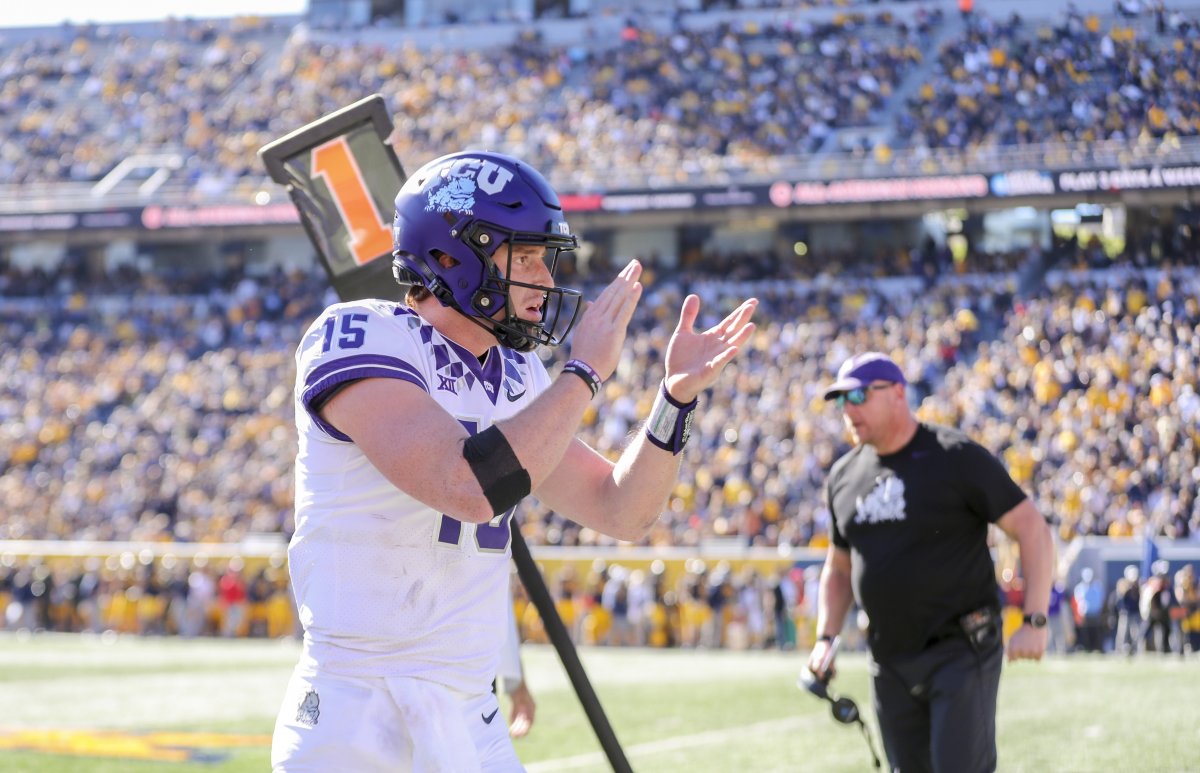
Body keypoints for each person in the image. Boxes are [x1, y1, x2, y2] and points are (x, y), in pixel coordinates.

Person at [270, 150, 758, 772]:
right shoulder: (360, 333)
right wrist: (582, 373)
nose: (546, 281)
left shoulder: (517, 373)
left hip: (470, 711)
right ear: (453, 256)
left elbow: (622, 509)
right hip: (359, 707)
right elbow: (465, 485)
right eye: (525, 258)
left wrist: (675, 398)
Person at [805, 352, 1054, 773]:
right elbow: (840, 567)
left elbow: (1032, 529)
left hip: (960, 648)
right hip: (888, 657)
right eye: (841, 401)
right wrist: (826, 637)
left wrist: (1035, 620)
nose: (849, 410)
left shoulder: (955, 456)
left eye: (860, 395)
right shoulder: (843, 476)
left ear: (898, 393)